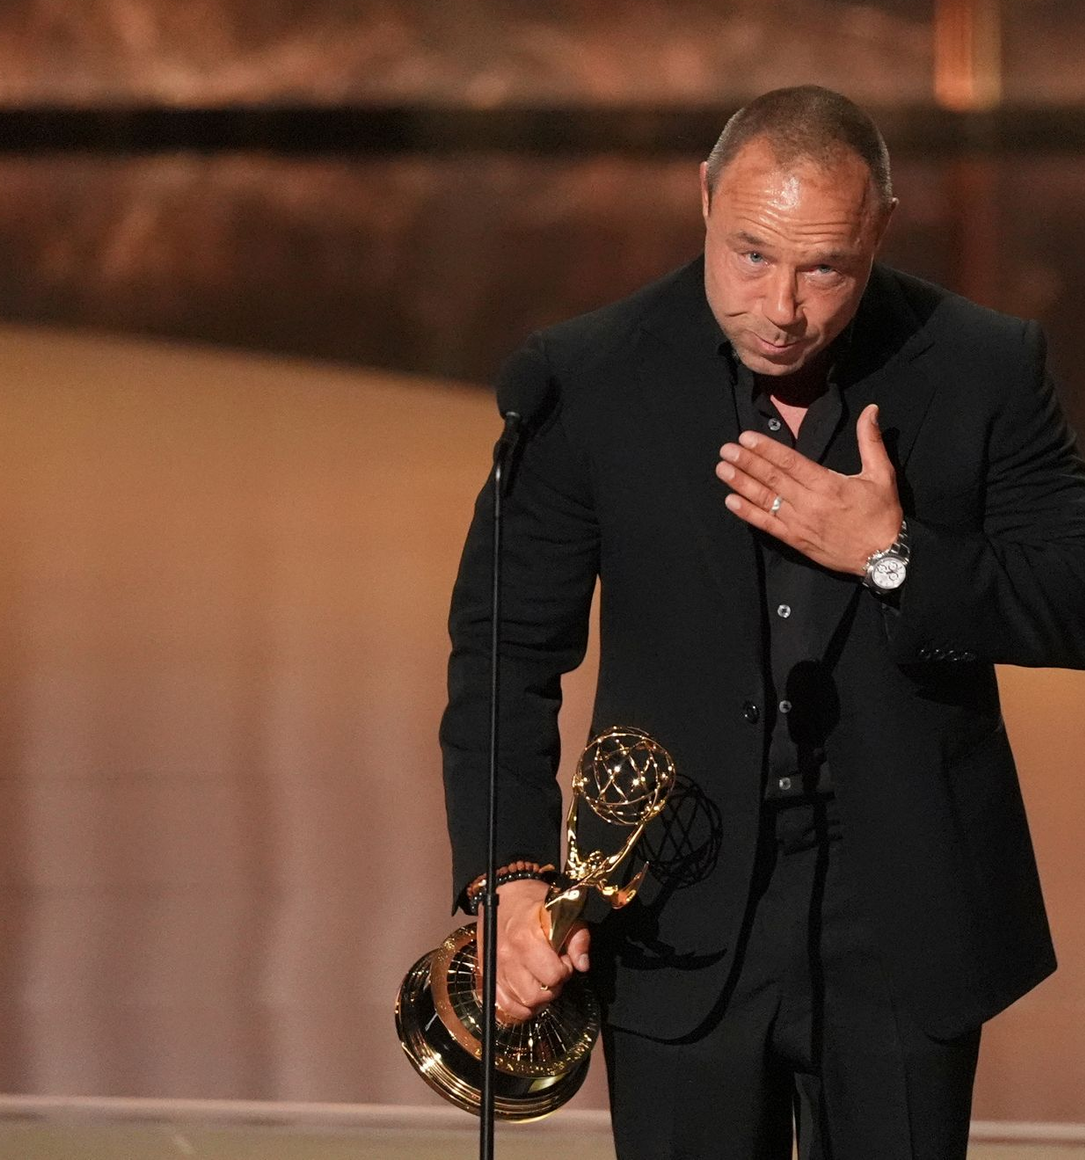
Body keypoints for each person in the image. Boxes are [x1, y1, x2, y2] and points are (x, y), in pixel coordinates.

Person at [439, 85, 1085, 1157]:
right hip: (670, 915)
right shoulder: (585, 378)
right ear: (703, 199)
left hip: (904, 918)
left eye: (824, 265)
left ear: (881, 225)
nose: (781, 306)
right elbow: (505, 650)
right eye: (749, 255)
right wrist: (509, 880)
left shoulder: (984, 366)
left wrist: (893, 557)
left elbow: (1071, 594)